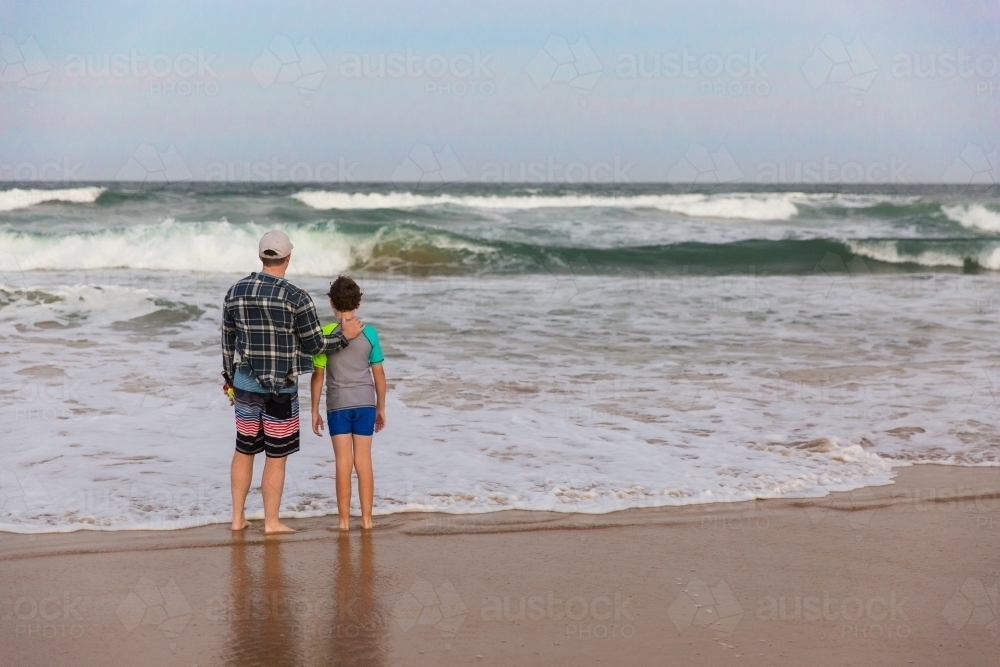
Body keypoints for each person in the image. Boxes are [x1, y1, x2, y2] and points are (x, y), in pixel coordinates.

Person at [222, 231, 363, 534]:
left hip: (245, 383)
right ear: (287, 258)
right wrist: (343, 337)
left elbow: (227, 342)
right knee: (276, 455)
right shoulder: (296, 296)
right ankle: (271, 522)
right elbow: (315, 345)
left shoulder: (235, 291)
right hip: (281, 388)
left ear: (262, 257)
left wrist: (229, 380)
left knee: (244, 449)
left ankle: (237, 518)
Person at [310, 275, 386, 531]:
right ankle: (366, 521)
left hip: (337, 406)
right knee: (363, 461)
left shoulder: (326, 335)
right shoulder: (370, 333)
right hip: (365, 404)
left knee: (343, 462)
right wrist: (381, 407)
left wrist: (314, 410)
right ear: (359, 303)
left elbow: (318, 375)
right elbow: (379, 374)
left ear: (331, 302)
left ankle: (343, 523)